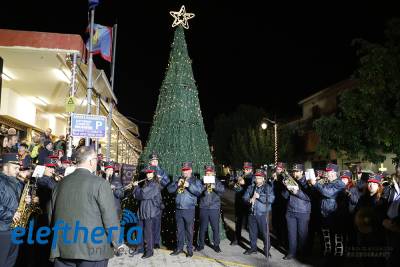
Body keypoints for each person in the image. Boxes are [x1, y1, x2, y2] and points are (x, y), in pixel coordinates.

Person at [48, 146, 124, 267]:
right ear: (91, 161)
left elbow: (50, 215)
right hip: (93, 250)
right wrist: (117, 242)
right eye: (96, 160)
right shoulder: (100, 183)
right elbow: (109, 218)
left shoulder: (60, 184)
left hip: (63, 247)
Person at [309, 163, 346, 257]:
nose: (326, 174)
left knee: (335, 236)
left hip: (334, 214)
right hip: (324, 213)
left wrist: (316, 184)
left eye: (328, 172)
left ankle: (336, 257)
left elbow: (328, 193)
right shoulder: (327, 182)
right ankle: (329, 253)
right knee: (327, 235)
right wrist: (313, 185)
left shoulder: (340, 183)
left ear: (334, 173)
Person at [0, 153, 30, 267]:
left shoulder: (17, 182)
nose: (18, 171)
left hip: (15, 228)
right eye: (15, 168)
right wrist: (11, 214)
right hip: (3, 229)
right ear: (5, 166)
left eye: (18, 168)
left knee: (11, 262)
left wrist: (27, 200)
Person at [167, 162, 202, 257]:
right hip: (178, 209)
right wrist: (176, 185)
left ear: (190, 170)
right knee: (179, 230)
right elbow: (169, 190)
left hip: (189, 209)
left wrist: (189, 185)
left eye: (187, 170)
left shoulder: (196, 181)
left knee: (189, 230)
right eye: (183, 170)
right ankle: (179, 248)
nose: (185, 172)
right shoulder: (178, 179)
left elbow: (199, 192)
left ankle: (190, 250)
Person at [282, 163, 312, 260]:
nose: (295, 173)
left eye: (297, 171)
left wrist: (297, 192)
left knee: (302, 234)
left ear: (302, 172)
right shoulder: (291, 180)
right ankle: (291, 252)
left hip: (303, 211)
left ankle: (303, 254)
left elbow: (309, 197)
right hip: (290, 211)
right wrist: (286, 187)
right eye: (294, 171)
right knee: (291, 233)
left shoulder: (307, 181)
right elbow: (285, 196)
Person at [132, 165, 163, 259]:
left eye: (150, 173)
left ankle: (149, 251)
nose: (148, 174)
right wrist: (136, 190)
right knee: (139, 230)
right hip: (142, 210)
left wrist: (136, 187)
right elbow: (138, 195)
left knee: (148, 232)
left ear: (154, 174)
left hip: (149, 211)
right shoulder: (147, 183)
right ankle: (140, 248)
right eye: (147, 173)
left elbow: (143, 194)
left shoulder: (155, 184)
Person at [242, 169, 274, 258]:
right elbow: (244, 197)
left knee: (265, 233)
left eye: (260, 178)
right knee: (252, 233)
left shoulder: (268, 187)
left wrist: (259, 196)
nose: (257, 179)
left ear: (263, 178)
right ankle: (253, 248)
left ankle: (266, 250)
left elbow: (271, 199)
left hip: (262, 214)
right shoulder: (251, 187)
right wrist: (249, 200)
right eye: (256, 177)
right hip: (252, 213)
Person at [196, 164, 225, 253]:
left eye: (210, 173)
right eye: (207, 173)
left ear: (214, 173)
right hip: (204, 207)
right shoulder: (201, 181)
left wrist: (214, 186)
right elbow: (197, 192)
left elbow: (222, 190)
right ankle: (201, 245)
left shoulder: (217, 181)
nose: (208, 175)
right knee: (202, 227)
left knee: (215, 227)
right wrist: (204, 186)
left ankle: (216, 245)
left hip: (214, 208)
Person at [148, 152, 169, 249]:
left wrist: (161, 180)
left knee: (157, 222)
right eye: (153, 161)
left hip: (158, 199)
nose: (154, 162)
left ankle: (156, 242)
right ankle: (149, 240)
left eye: (156, 161)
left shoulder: (162, 171)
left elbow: (167, 182)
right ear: (150, 162)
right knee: (149, 222)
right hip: (149, 200)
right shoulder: (147, 171)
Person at [231, 162, 255, 246]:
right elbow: (232, 186)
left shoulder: (254, 178)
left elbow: (252, 189)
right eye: (245, 169)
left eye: (247, 169)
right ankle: (237, 238)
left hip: (248, 203)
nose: (246, 170)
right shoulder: (240, 176)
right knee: (238, 222)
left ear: (251, 169)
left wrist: (244, 184)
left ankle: (252, 243)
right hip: (239, 202)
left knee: (249, 224)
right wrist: (236, 184)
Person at [383, 162, 400, 267]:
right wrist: (384, 220)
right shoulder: (391, 188)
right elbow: (384, 206)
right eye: (398, 173)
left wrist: (396, 224)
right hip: (389, 229)